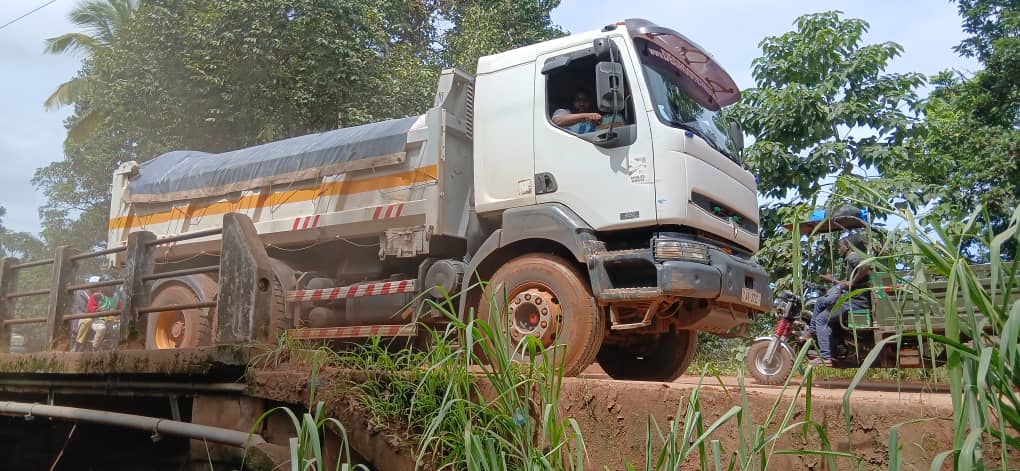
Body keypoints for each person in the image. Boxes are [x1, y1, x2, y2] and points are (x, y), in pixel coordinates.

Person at [810, 233, 871, 366]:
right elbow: (847, 284)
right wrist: (832, 280)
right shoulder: (850, 260)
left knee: (821, 319)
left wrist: (852, 282)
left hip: (856, 303)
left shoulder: (852, 257)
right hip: (854, 300)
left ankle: (825, 356)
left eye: (840, 246)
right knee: (821, 303)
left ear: (847, 246)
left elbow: (866, 267)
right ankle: (819, 336)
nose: (839, 249)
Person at [551, 90, 624, 134]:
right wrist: (586, 116)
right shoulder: (564, 112)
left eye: (585, 101)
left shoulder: (598, 118)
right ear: (572, 102)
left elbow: (619, 124)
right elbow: (557, 121)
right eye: (578, 100)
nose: (582, 104)